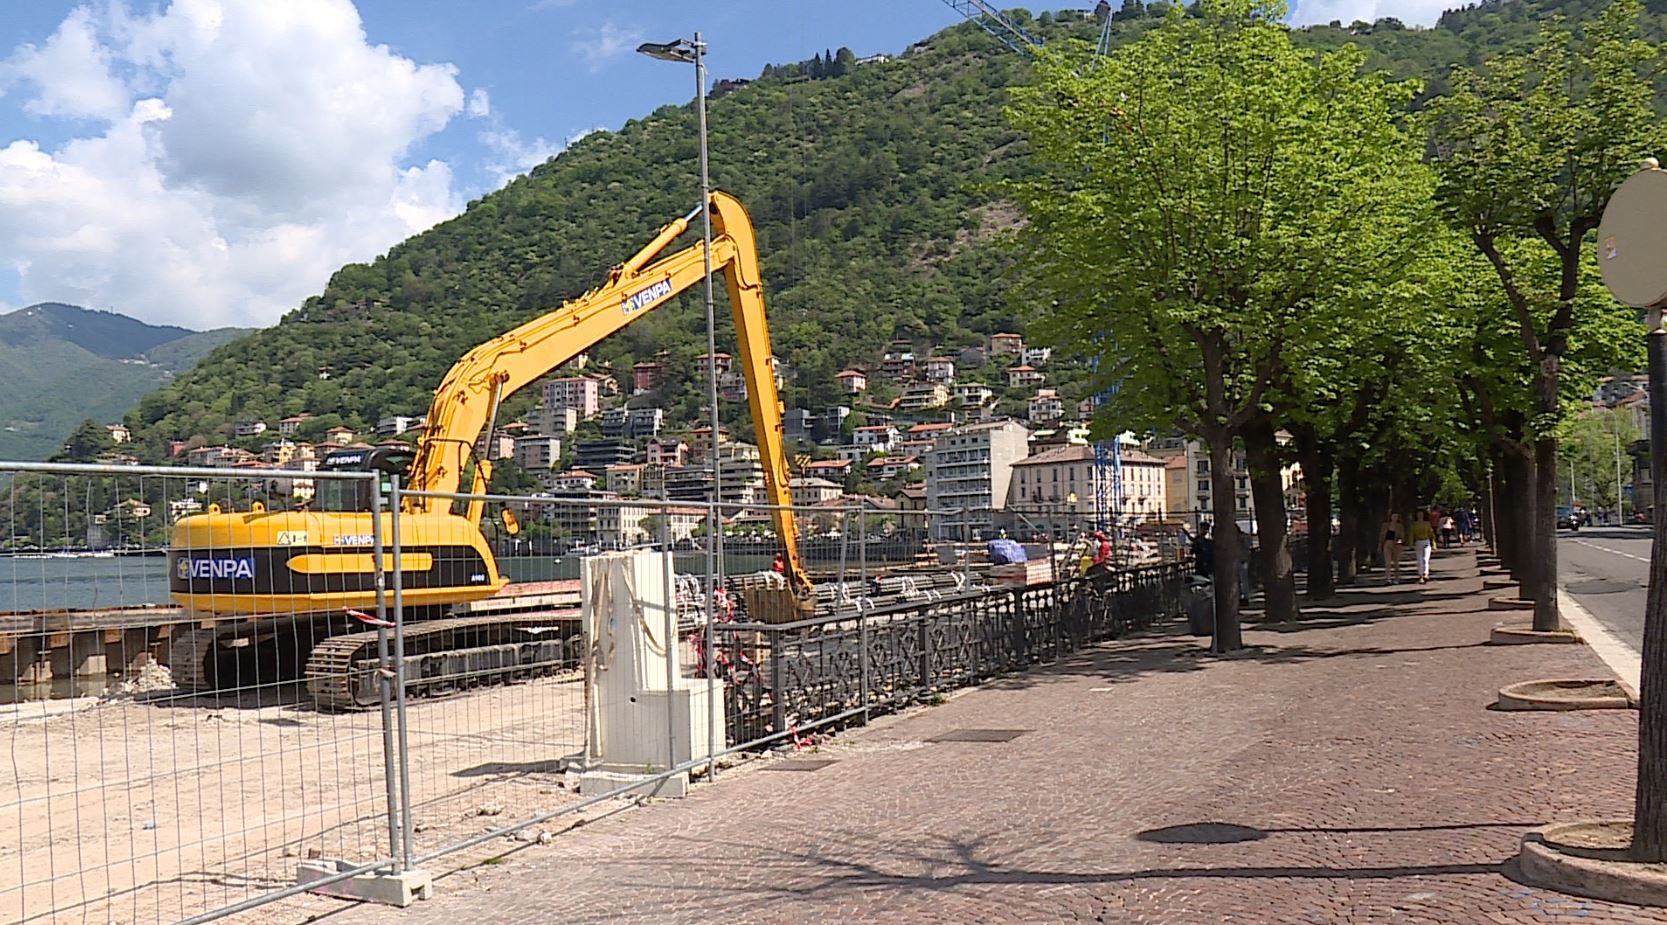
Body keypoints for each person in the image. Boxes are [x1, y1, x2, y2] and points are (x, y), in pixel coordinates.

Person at [1409, 510, 1437, 584]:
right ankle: (1420, 576)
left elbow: (1431, 534)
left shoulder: (1427, 524)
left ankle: (1426, 574)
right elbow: (1411, 535)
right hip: (1418, 542)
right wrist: (1411, 544)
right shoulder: (1414, 525)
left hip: (1426, 541)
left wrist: (1434, 544)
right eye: (1418, 514)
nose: (1420, 516)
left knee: (1426, 559)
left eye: (1421, 514)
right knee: (1419, 560)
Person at [1380, 513, 1405, 584]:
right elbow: (1382, 536)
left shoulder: (1399, 526)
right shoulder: (1385, 525)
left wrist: (1399, 542)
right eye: (1393, 516)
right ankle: (1388, 578)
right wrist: (1380, 545)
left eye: (1396, 517)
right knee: (1387, 562)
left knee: (1396, 563)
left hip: (1396, 545)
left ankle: (1396, 578)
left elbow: (1402, 537)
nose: (1394, 518)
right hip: (1387, 544)